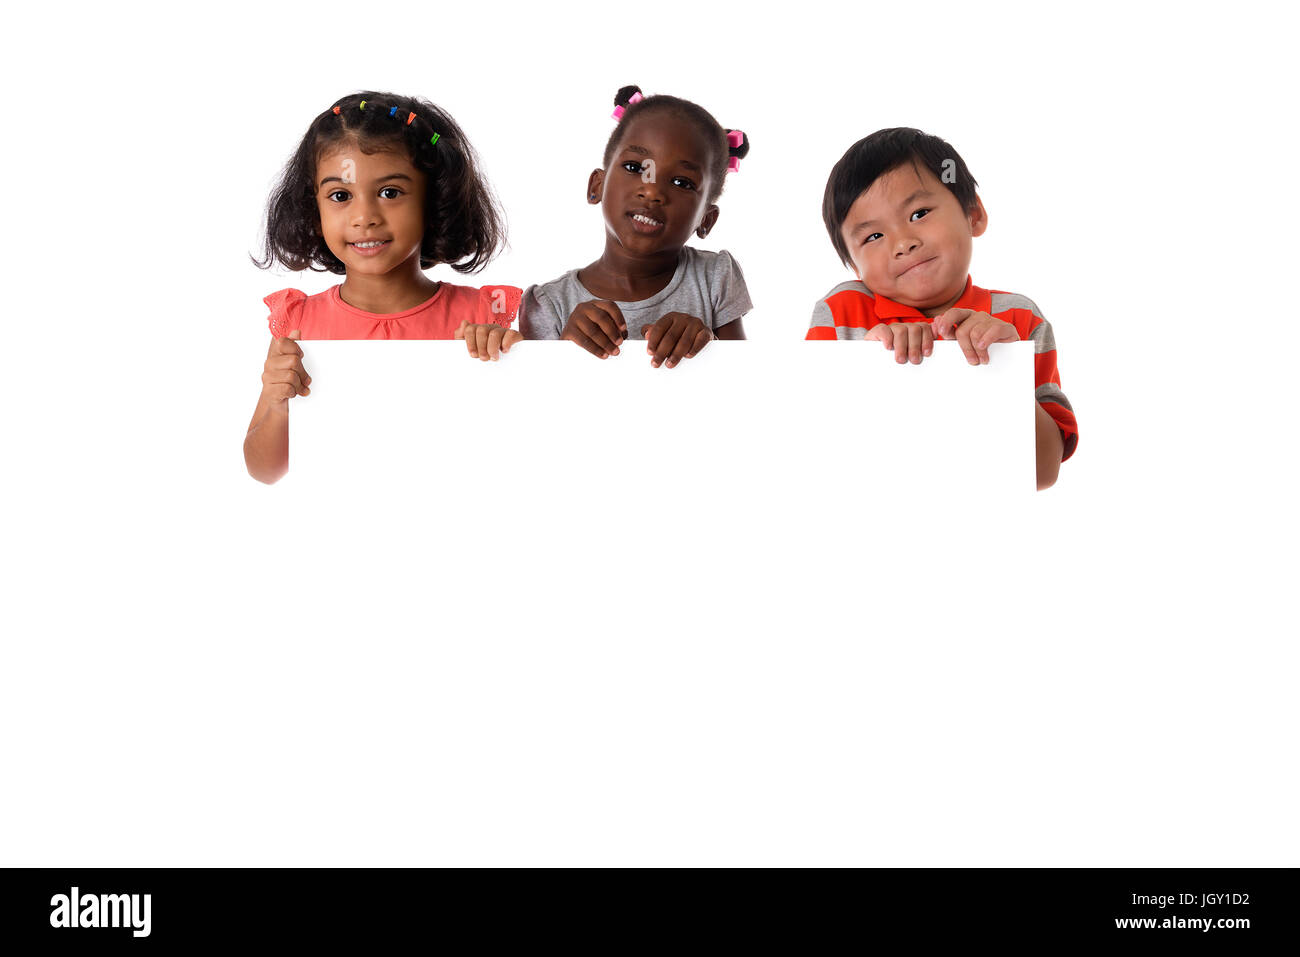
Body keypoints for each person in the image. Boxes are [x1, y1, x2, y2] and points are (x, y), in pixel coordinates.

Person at [245, 91, 522, 484]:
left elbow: (516, 445)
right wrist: (277, 403)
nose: (364, 217)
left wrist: (504, 354)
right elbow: (265, 471)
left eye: (390, 193)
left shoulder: (483, 316)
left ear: (433, 199)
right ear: (314, 207)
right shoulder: (299, 325)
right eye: (340, 196)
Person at [807, 127, 1078, 490]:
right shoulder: (842, 313)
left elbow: (1043, 473)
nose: (903, 243)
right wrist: (871, 362)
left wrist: (1003, 363)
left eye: (919, 213)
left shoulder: (1019, 318)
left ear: (973, 215)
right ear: (855, 266)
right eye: (873, 236)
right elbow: (809, 446)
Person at [519, 85, 753, 369]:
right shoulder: (550, 305)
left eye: (681, 182)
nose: (652, 191)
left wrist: (707, 345)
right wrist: (568, 350)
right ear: (597, 186)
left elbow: (744, 374)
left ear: (706, 220)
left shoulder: (715, 277)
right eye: (634, 168)